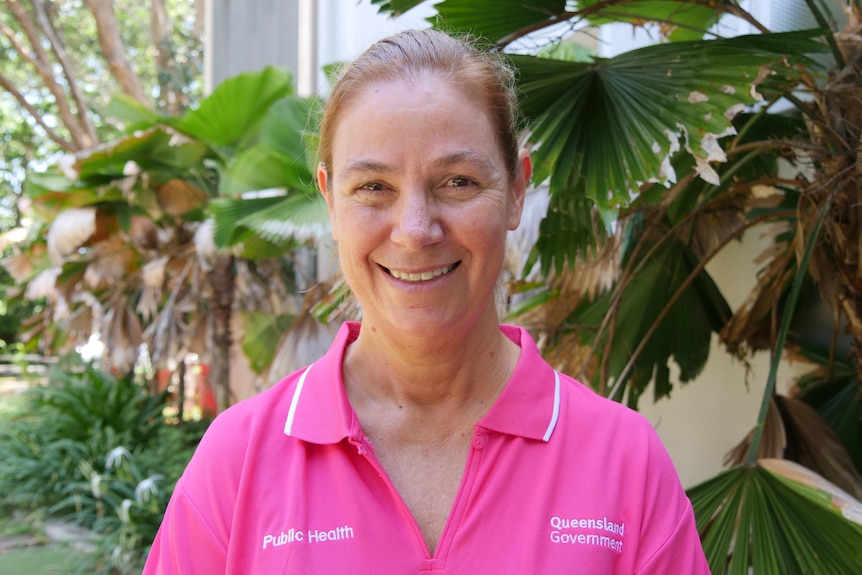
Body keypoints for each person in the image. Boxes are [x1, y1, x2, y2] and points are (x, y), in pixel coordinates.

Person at [143, 28, 710, 574]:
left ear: (515, 191)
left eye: (458, 181)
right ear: (330, 203)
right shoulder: (238, 462)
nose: (415, 230)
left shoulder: (624, 461)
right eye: (373, 188)